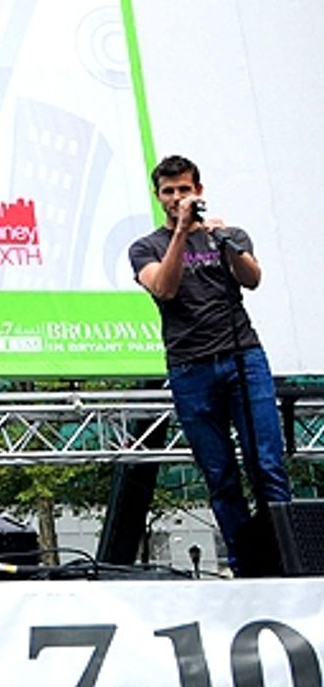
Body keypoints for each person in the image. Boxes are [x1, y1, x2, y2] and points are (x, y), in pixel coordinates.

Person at [128, 154, 290, 573]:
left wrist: (224, 241)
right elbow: (163, 288)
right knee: (220, 476)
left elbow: (252, 278)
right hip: (190, 368)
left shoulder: (228, 235)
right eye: (169, 191)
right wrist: (181, 231)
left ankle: (290, 559)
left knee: (266, 464)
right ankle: (247, 566)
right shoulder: (146, 247)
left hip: (243, 359)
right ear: (158, 196)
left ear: (197, 190)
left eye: (184, 189)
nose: (177, 197)